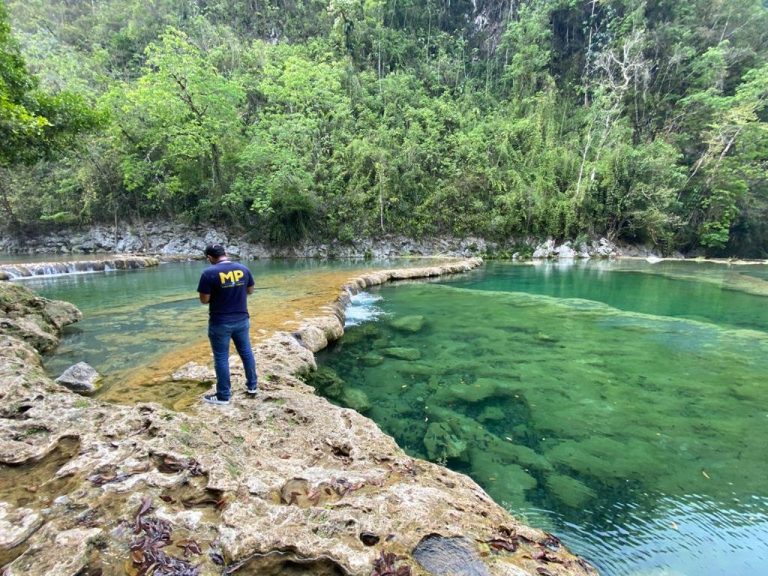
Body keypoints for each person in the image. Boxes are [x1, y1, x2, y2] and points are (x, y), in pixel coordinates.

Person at [197, 244, 258, 405]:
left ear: (209, 258)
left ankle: (223, 395)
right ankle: (252, 385)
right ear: (226, 253)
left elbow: (204, 300)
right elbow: (251, 290)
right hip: (242, 319)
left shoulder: (208, 273)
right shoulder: (243, 269)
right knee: (246, 352)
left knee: (221, 357)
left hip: (220, 322)